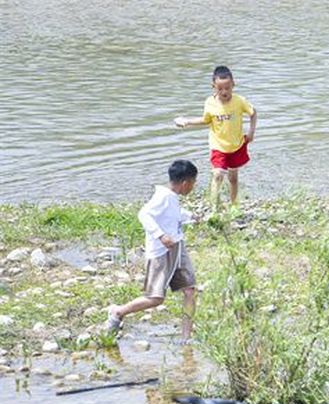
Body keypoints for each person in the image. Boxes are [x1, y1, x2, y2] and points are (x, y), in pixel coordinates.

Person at [106, 160, 199, 341]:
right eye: (194, 183)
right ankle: (118, 311)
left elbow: (173, 213)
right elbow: (144, 214)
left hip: (178, 249)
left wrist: (191, 216)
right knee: (156, 299)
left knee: (190, 290)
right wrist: (161, 236)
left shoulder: (171, 197)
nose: (193, 187)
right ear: (185, 183)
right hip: (161, 253)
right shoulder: (162, 197)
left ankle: (186, 338)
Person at [174, 65, 257, 208]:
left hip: (236, 144)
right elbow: (206, 120)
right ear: (213, 86)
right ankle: (214, 207)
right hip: (218, 145)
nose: (224, 92)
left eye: (227, 88)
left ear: (233, 85)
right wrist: (187, 121)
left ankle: (234, 205)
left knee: (233, 178)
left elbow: (253, 113)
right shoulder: (210, 103)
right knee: (218, 174)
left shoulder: (239, 101)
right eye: (220, 89)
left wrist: (251, 132)